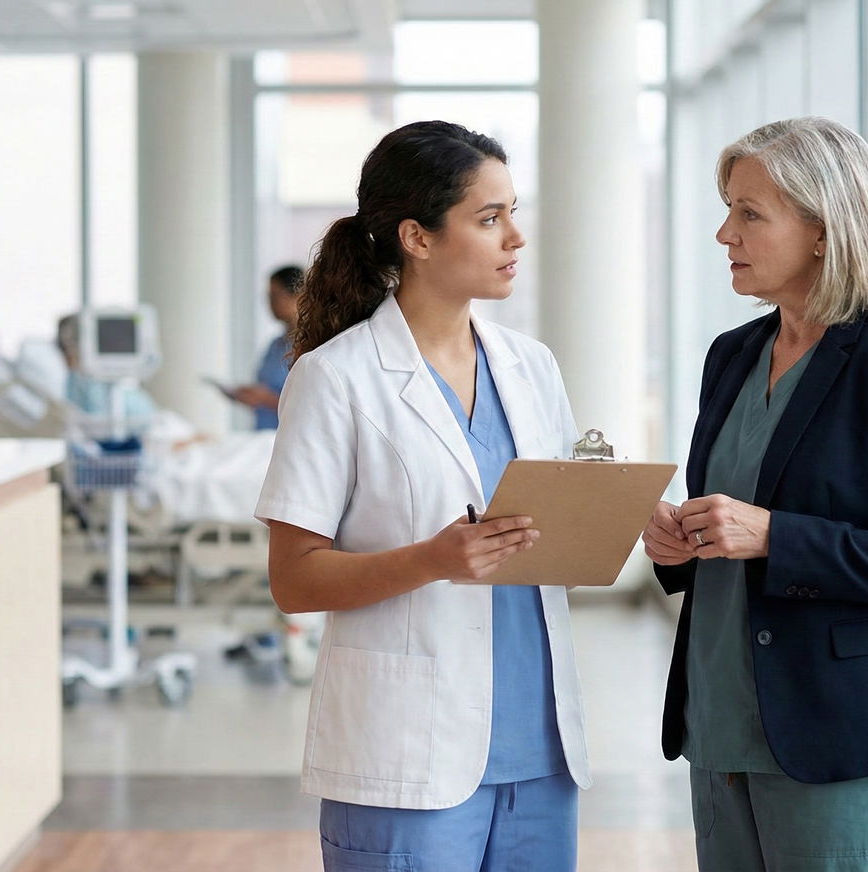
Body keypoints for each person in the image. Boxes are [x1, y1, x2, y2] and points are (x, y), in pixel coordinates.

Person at [641, 117, 868, 871]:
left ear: (824, 230)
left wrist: (774, 535)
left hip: (842, 736)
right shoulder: (732, 356)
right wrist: (678, 549)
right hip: (720, 730)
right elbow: (729, 527)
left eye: (750, 214)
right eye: (728, 209)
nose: (724, 233)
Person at [254, 121, 590, 871]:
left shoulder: (531, 368)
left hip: (540, 755)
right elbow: (294, 577)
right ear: (418, 236)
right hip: (406, 758)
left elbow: (562, 537)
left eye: (513, 212)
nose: (516, 238)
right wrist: (433, 559)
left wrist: (626, 520)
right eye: (490, 217)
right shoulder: (335, 378)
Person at [226, 265, 303, 430]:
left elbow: (307, 407)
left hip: (287, 436)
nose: (270, 304)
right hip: (264, 437)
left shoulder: (309, 348)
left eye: (275, 296)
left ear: (297, 296)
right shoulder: (275, 345)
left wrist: (266, 399)